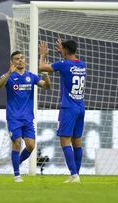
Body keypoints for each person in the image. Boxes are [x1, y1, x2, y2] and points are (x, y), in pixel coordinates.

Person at [0, 51, 50, 182]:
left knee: (31, 146)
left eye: (21, 58)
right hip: (13, 117)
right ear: (12, 62)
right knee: (17, 143)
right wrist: (9, 73)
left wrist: (46, 73)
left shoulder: (31, 76)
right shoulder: (9, 76)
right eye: (16, 59)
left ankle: (16, 163)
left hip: (28, 118)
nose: (20, 60)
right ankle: (17, 175)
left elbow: (47, 86)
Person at [39, 39, 86, 183]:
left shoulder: (63, 65)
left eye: (62, 49)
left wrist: (42, 55)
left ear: (65, 50)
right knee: (77, 142)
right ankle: (76, 174)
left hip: (68, 107)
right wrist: (63, 51)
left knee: (65, 140)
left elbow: (42, 67)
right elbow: (68, 63)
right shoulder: (82, 65)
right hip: (80, 107)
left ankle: (74, 175)